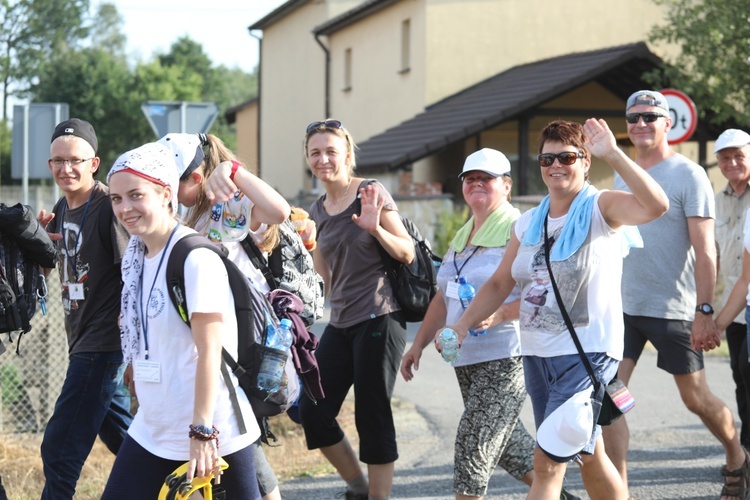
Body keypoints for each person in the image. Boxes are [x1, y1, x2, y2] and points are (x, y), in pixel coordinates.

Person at [447, 118, 668, 499]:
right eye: (547, 159)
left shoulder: (601, 207)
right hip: (537, 355)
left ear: (584, 161)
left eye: (566, 157)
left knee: (547, 463)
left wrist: (614, 154)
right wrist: (461, 326)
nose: (555, 166)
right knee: (590, 455)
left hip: (587, 355)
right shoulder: (528, 223)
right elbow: (501, 282)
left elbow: (656, 205)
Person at [100, 142, 282, 498]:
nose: (125, 208)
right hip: (155, 425)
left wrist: (202, 432)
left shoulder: (194, 257)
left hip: (215, 428)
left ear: (166, 193)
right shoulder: (137, 256)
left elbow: (210, 352)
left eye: (136, 195)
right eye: (117, 199)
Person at [602, 90, 750, 500]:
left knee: (696, 400)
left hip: (674, 309)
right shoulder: (622, 170)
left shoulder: (690, 175)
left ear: (668, 124)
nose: (640, 124)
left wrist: (705, 311)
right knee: (607, 396)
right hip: (625, 307)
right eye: (633, 118)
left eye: (650, 116)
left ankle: (737, 455)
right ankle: (621, 491)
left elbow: (706, 251)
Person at [400, 148, 555, 500]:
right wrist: (418, 345)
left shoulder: (522, 228)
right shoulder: (463, 234)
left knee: (472, 447)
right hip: (466, 360)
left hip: (507, 357)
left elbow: (543, 291)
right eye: (470, 179)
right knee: (510, 449)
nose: (476, 184)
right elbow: (443, 297)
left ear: (507, 186)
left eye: (486, 178)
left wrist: (500, 313)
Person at [157, 132, 292, 500]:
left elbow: (280, 211)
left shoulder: (232, 200)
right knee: (235, 443)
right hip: (211, 341)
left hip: (239, 341)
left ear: (196, 178)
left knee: (240, 443)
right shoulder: (188, 211)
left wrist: (235, 171)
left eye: (173, 178)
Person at [298, 119, 415, 500]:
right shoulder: (315, 210)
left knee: (372, 412)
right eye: (315, 152)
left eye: (331, 151)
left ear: (347, 154)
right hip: (342, 321)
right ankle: (359, 488)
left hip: (381, 315)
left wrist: (375, 229)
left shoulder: (370, 192)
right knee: (311, 409)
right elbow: (322, 279)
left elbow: (407, 251)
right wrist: (299, 319)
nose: (323, 159)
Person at [37, 118, 133, 499]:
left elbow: (135, 274)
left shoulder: (109, 207)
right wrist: (40, 244)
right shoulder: (61, 210)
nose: (67, 169)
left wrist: (137, 346)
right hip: (82, 342)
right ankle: (201, 489)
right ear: (50, 165)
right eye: (59, 161)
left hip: (103, 346)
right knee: (129, 442)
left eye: (76, 160)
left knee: (60, 451)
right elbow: (56, 271)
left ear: (94, 164)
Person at [714, 128, 750, 452]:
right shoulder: (715, 202)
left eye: (739, 155)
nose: (733, 162)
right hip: (733, 305)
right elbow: (711, 257)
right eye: (726, 157)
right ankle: (746, 449)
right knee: (741, 378)